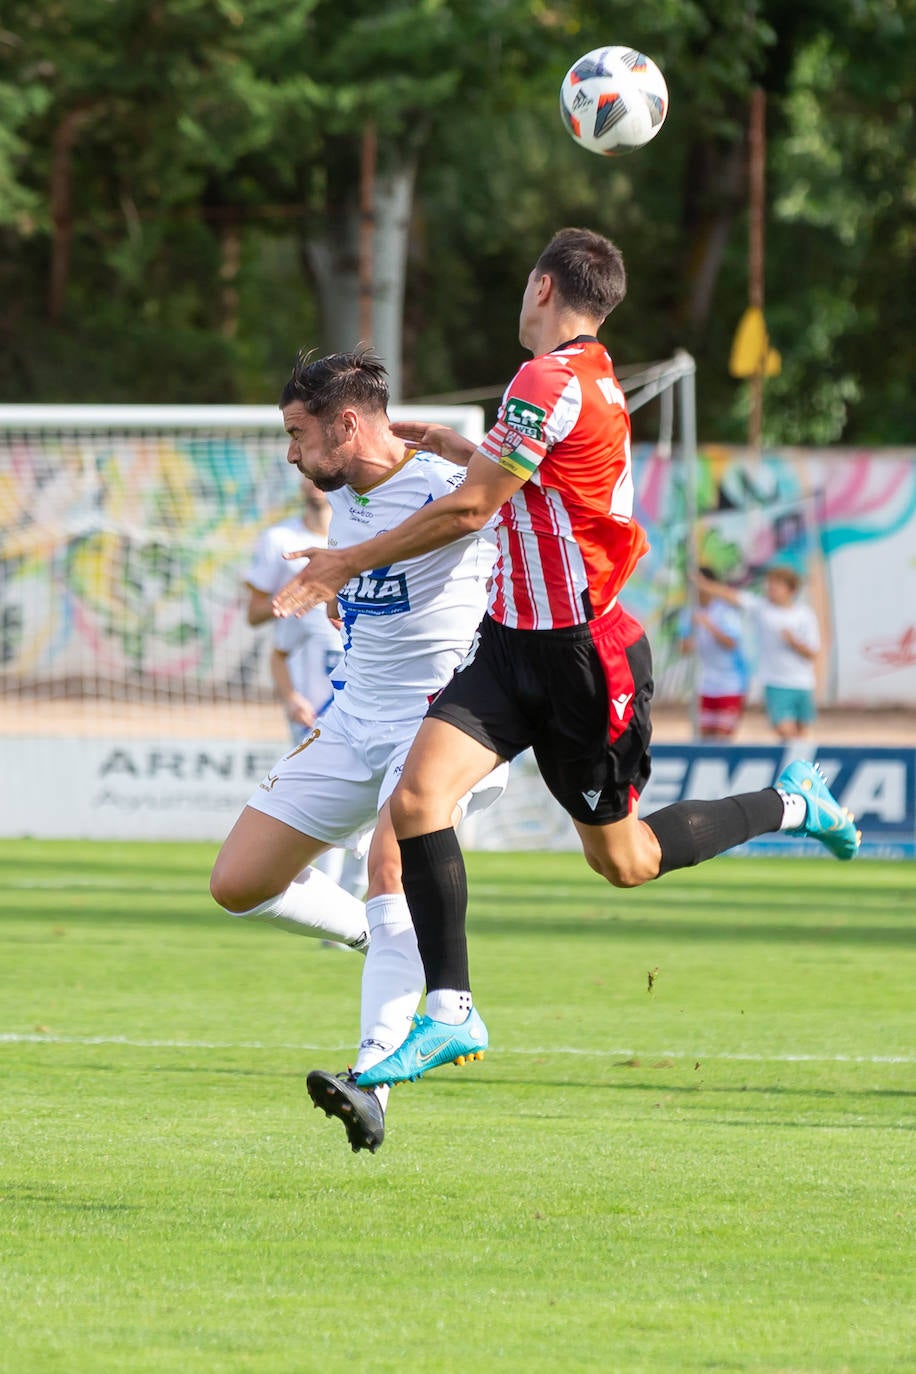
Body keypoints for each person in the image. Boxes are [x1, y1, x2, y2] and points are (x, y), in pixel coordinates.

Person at [273, 227, 860, 1091]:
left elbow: (475, 512)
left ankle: (790, 801)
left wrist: (343, 562)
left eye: (524, 284)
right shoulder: (589, 379)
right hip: (511, 645)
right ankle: (449, 1010)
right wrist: (451, 446)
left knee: (625, 862)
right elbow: (539, 488)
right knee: (418, 799)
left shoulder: (547, 378)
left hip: (584, 658)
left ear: (544, 287)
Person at [211, 348, 505, 1152]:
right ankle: (383, 937)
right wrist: (346, 592)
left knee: (390, 863)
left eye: (299, 433)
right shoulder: (351, 498)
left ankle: (371, 1079)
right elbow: (379, 581)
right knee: (239, 884)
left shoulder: (451, 489)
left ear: (346, 424)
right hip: (351, 720)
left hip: (441, 721)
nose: (292, 453)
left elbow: (487, 515)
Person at [243, 475, 366, 901]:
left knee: (372, 811)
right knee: (327, 803)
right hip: (315, 708)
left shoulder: (367, 538)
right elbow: (260, 620)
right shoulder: (280, 542)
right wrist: (297, 595)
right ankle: (335, 905)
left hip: (370, 707)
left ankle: (363, 899)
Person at [243, 475, 343, 743]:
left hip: (355, 698)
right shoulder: (279, 539)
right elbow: (254, 614)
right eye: (309, 475)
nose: (316, 482)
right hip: (310, 702)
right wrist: (298, 597)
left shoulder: (357, 540)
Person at [697, 564, 819, 741]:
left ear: (790, 590)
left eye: (776, 586)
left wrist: (795, 643)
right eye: (770, 584)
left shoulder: (804, 615)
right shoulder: (762, 608)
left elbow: (813, 653)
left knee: (802, 735)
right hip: (776, 682)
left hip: (803, 683)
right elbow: (731, 596)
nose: (770, 589)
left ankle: (798, 766)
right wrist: (703, 584)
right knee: (787, 734)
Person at [679, 567, 747, 739]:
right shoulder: (690, 612)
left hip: (730, 683)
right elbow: (684, 648)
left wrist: (708, 625)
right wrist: (690, 640)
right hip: (704, 684)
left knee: (723, 738)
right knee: (705, 737)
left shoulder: (725, 611)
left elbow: (731, 643)